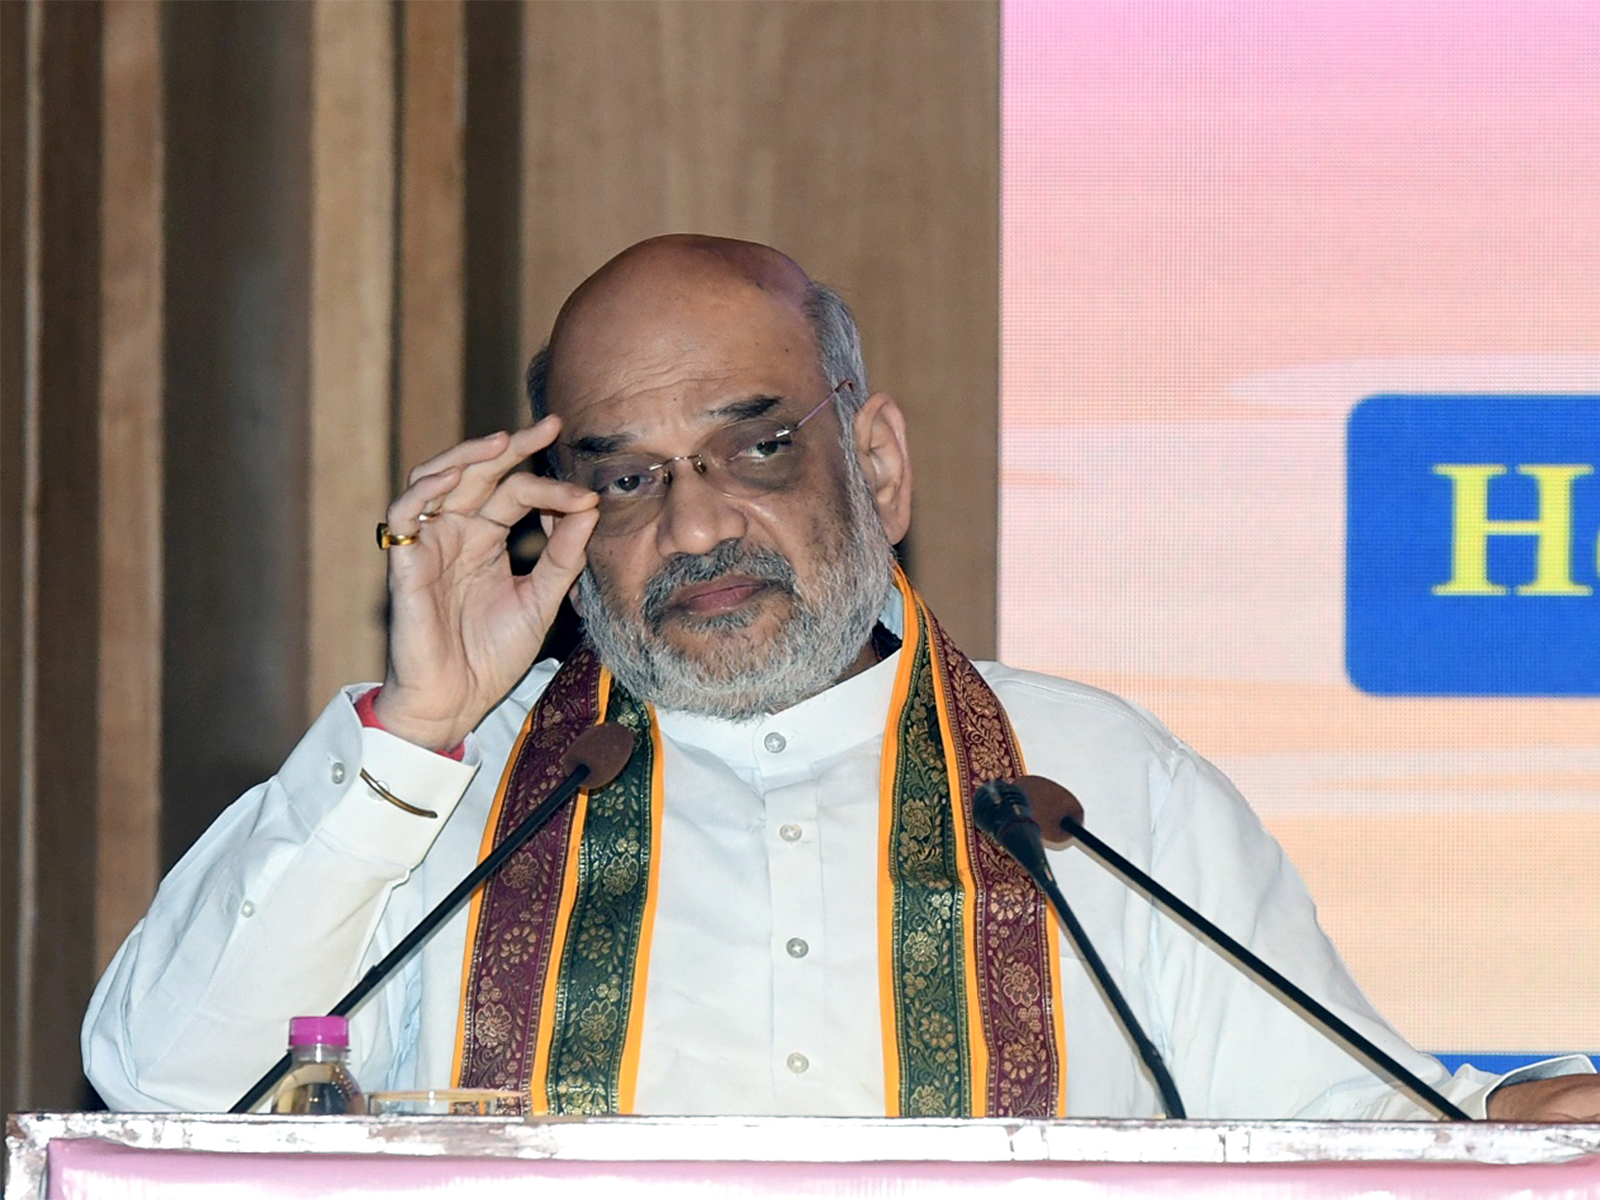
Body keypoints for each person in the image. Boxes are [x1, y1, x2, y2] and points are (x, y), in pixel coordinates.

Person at [83, 235, 1597, 1120]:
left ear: (874, 459)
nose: (694, 527)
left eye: (759, 447)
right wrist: (416, 732)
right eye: (625, 478)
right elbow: (157, 1091)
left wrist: (1502, 1128)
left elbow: (1344, 1125)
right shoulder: (449, 790)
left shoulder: (1088, 784)